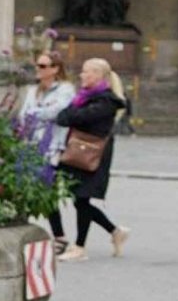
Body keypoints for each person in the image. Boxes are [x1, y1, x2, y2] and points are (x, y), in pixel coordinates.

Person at [54, 57, 129, 261]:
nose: (82, 75)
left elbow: (77, 118)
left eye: (87, 71)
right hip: (78, 152)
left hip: (92, 155)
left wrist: (73, 113)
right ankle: (115, 231)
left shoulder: (107, 101)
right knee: (80, 200)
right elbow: (62, 118)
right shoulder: (83, 98)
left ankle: (79, 247)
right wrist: (74, 112)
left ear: (98, 75)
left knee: (82, 198)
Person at [15, 49, 76, 252]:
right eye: (37, 65)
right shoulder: (33, 90)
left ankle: (59, 236)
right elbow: (23, 115)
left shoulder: (65, 89)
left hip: (52, 147)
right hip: (30, 145)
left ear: (55, 69)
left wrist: (35, 114)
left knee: (46, 189)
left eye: (42, 66)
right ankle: (21, 228)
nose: (38, 69)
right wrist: (37, 114)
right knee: (23, 186)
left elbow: (56, 112)